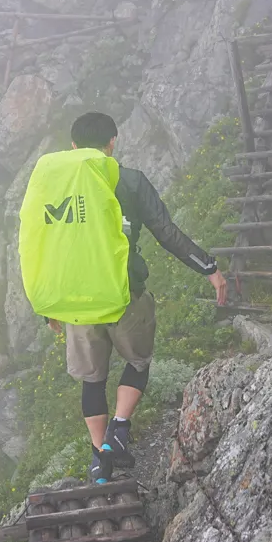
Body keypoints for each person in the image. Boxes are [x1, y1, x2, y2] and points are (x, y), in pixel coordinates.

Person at [47, 111, 227, 483]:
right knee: (139, 362)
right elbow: (166, 231)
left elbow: (44, 248)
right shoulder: (129, 181)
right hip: (126, 293)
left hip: (78, 302)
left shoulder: (57, 189)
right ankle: (120, 429)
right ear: (112, 143)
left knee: (92, 380)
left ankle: (99, 457)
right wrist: (208, 268)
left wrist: (48, 306)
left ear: (73, 147)